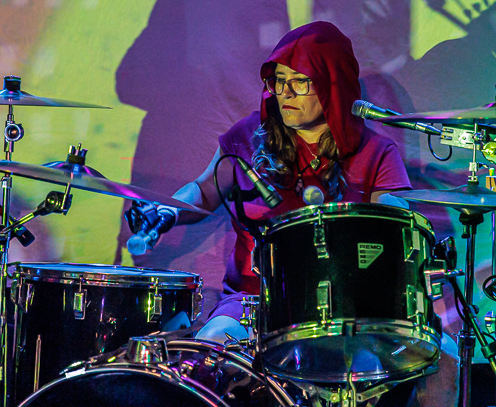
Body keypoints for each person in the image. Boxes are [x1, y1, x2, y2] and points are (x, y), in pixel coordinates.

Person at [125, 21, 413, 342]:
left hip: (343, 310)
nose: (285, 93)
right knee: (213, 343)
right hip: (251, 303)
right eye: (280, 80)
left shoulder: (375, 152)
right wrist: (167, 210)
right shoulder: (249, 136)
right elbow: (204, 191)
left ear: (333, 85)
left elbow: (396, 228)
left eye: (300, 82)